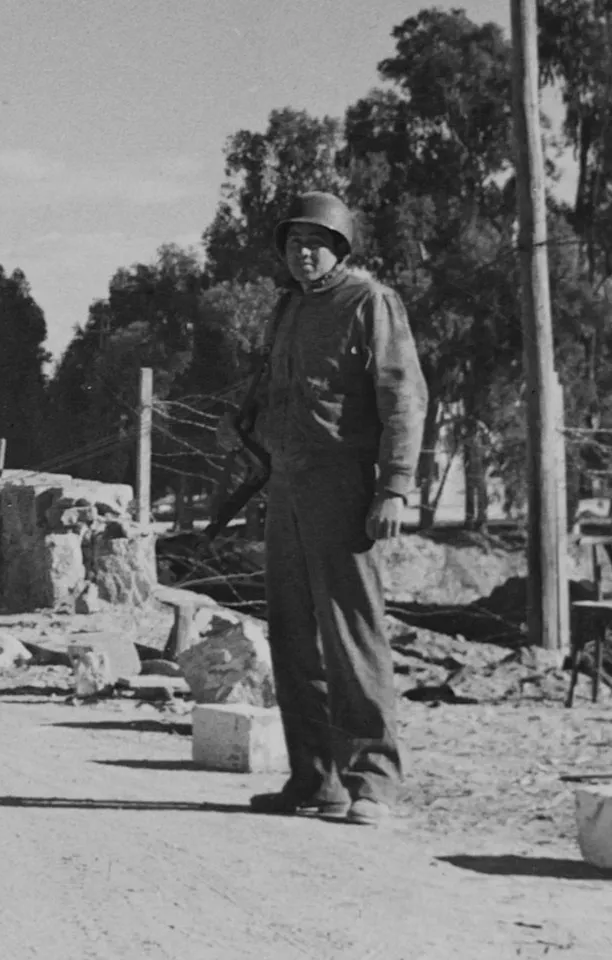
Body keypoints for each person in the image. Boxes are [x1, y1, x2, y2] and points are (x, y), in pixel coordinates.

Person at [240, 192, 426, 827]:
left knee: (352, 634)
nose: (304, 252)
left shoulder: (369, 302)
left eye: (316, 242)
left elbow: (403, 397)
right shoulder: (289, 308)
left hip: (344, 486)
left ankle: (372, 781)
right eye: (294, 243)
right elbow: (274, 390)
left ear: (342, 247)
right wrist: (246, 426)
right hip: (288, 487)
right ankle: (317, 780)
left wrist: (394, 487)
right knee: (292, 634)